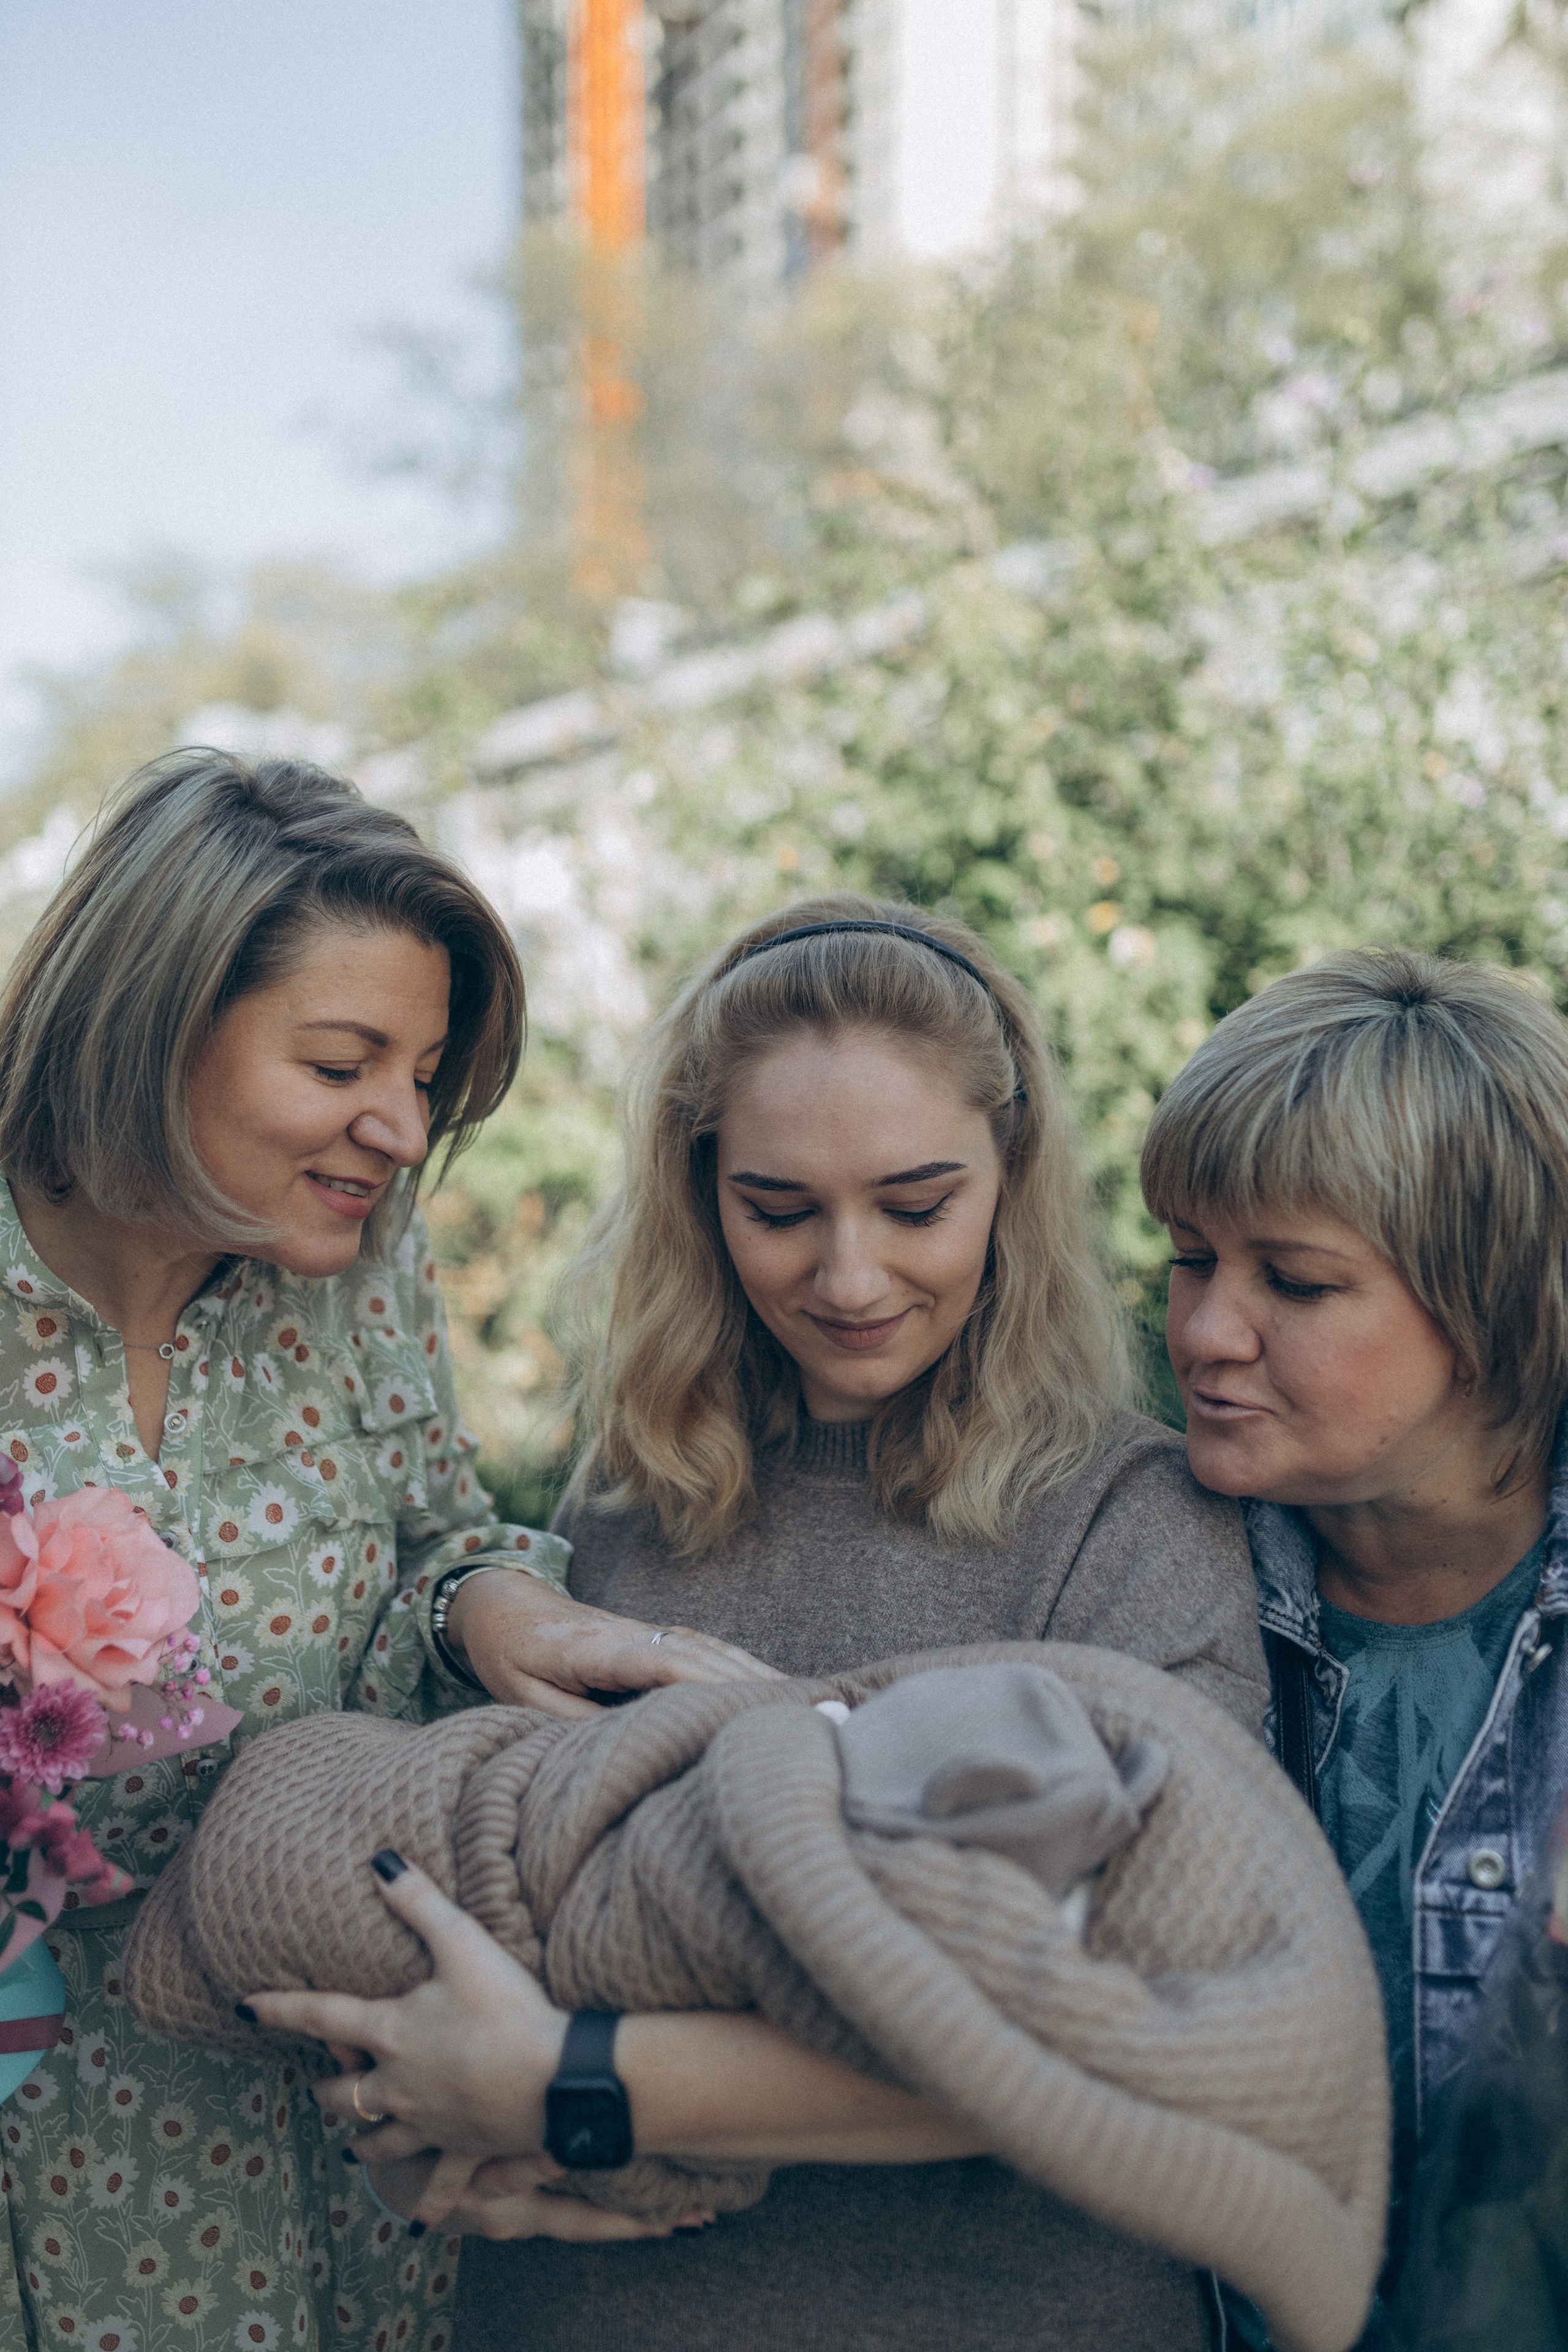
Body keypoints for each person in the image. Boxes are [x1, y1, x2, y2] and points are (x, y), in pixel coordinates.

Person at [251, 897, 1270, 2352]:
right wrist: (418, 2128)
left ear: (1015, 1176)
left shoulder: (1139, 1528)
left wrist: (571, 2080)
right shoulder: (615, 1519)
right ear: (698, 1190)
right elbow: (497, 1918)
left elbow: (1138, 2029)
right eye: (777, 1212)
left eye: (916, 1208)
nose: (847, 1280)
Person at [0, 750, 774, 2352]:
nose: (403, 1131)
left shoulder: (346, 1270)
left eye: (423, 1075)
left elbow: (432, 1529)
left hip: (358, 2152)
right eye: (345, 1060)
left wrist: (498, 1603)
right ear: (154, 1023)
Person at [1139, 947, 1568, 2343]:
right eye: (1189, 1259)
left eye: (1296, 1283)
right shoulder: (1127, 1588)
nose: (1204, 1331)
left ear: (1488, 1300)